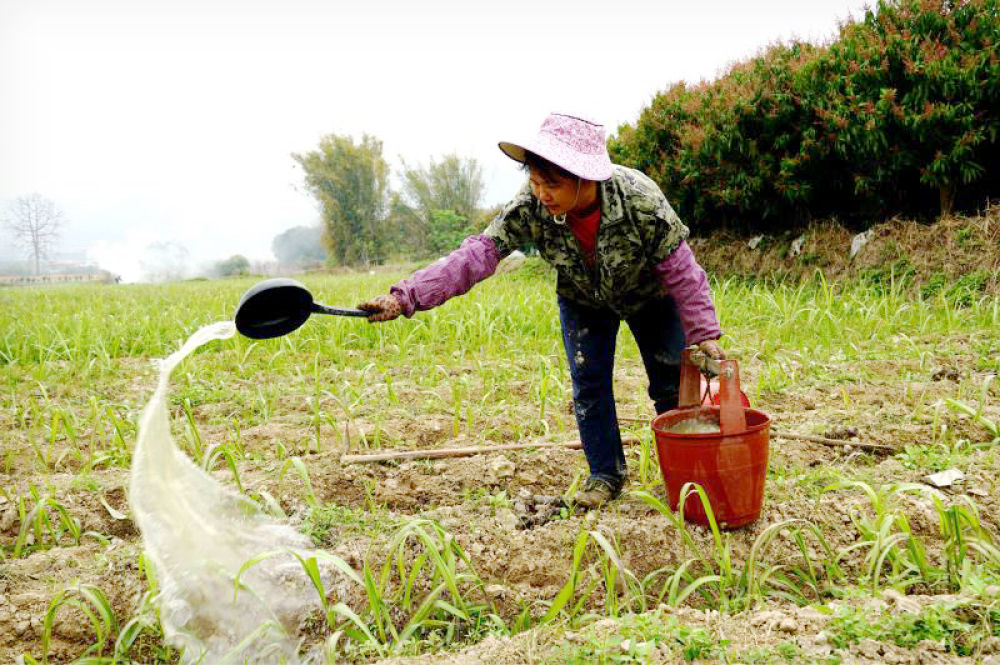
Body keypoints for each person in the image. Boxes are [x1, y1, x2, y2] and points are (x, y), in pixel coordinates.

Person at [358, 112, 724, 508]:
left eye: (552, 183)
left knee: (670, 383)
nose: (541, 193)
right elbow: (477, 255)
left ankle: (685, 473)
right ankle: (605, 474)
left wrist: (704, 332)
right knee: (589, 385)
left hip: (650, 297)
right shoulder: (529, 206)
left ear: (586, 179)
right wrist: (405, 297)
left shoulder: (640, 200)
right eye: (534, 181)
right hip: (583, 300)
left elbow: (682, 270)